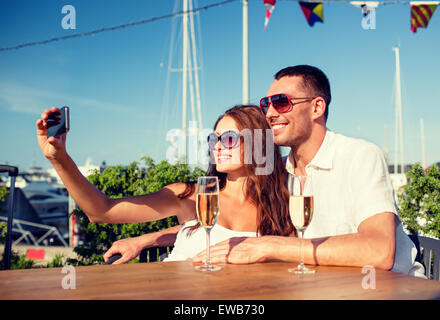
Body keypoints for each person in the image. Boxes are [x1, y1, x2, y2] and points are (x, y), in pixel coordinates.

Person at [113, 65, 424, 277]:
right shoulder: (283, 174)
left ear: (317, 108)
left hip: (392, 289)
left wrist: (266, 246)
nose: (270, 113)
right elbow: (236, 232)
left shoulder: (359, 156)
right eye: (266, 104)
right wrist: (151, 239)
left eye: (282, 102)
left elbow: (379, 251)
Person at [36, 105, 295, 263]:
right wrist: (59, 158)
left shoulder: (282, 202)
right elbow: (101, 211)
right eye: (213, 139)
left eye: (228, 139)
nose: (217, 147)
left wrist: (149, 239)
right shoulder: (192, 196)